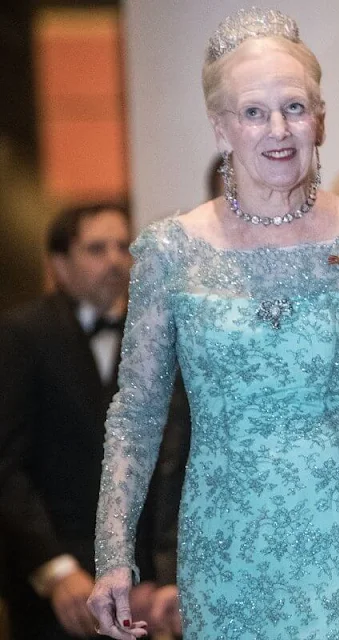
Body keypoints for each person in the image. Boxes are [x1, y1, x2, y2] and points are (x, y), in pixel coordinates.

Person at [87, 8, 339, 639]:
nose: (277, 128)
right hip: (230, 546)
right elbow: (137, 413)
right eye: (254, 112)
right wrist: (113, 553)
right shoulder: (168, 250)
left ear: (321, 120)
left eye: (295, 107)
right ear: (221, 128)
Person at [0, 203, 177, 639]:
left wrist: (165, 573)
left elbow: (174, 457)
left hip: (146, 588)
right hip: (58, 590)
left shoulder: (158, 331)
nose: (115, 260)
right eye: (96, 249)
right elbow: (6, 466)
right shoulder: (21, 334)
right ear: (59, 264)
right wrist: (56, 570)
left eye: (123, 247)